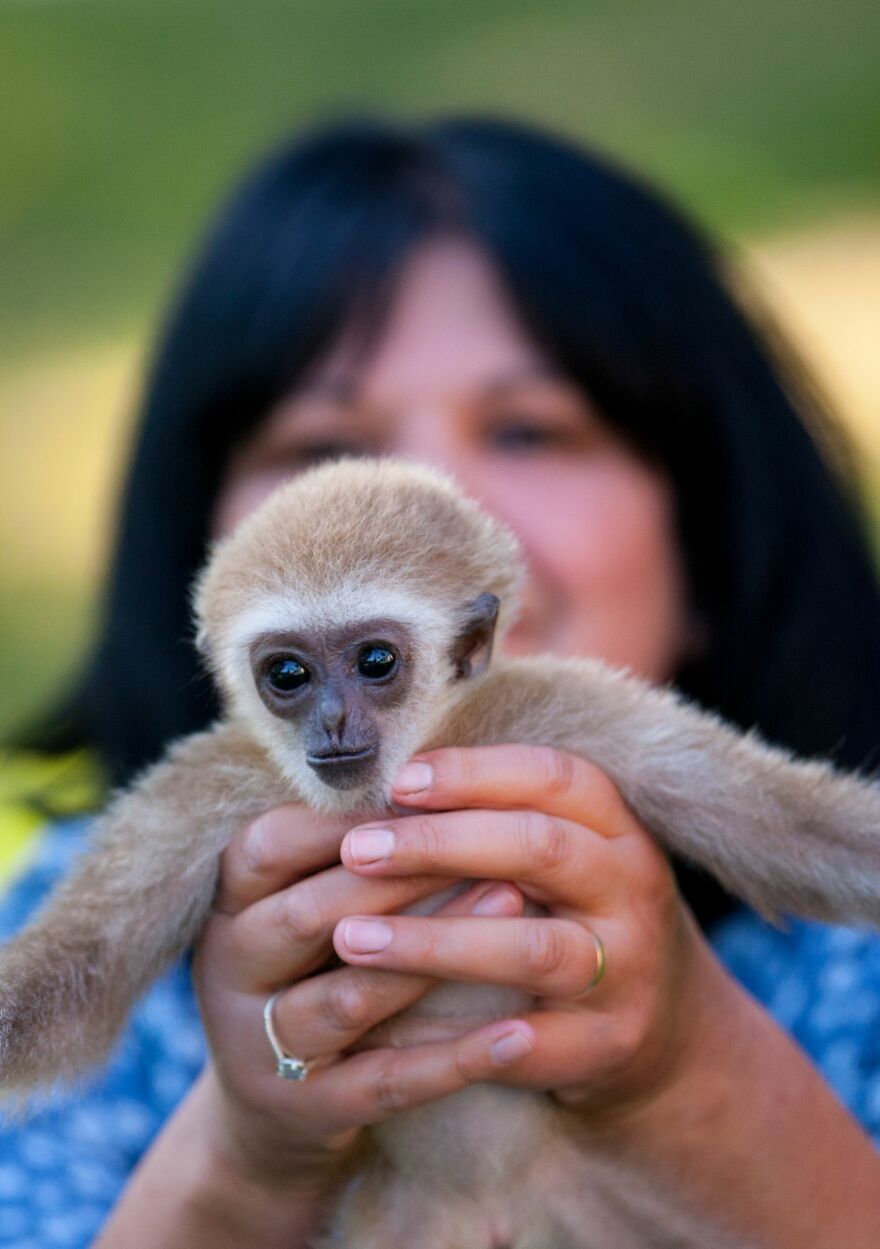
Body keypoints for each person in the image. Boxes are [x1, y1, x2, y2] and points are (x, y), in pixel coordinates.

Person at [2, 116, 879, 1248]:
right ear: (216, 658)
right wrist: (248, 1153)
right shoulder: (216, 800)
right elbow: (48, 1004)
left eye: (528, 429)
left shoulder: (570, 724)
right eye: (287, 677)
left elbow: (811, 837)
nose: (334, 723)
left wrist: (683, 1075)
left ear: (470, 646)